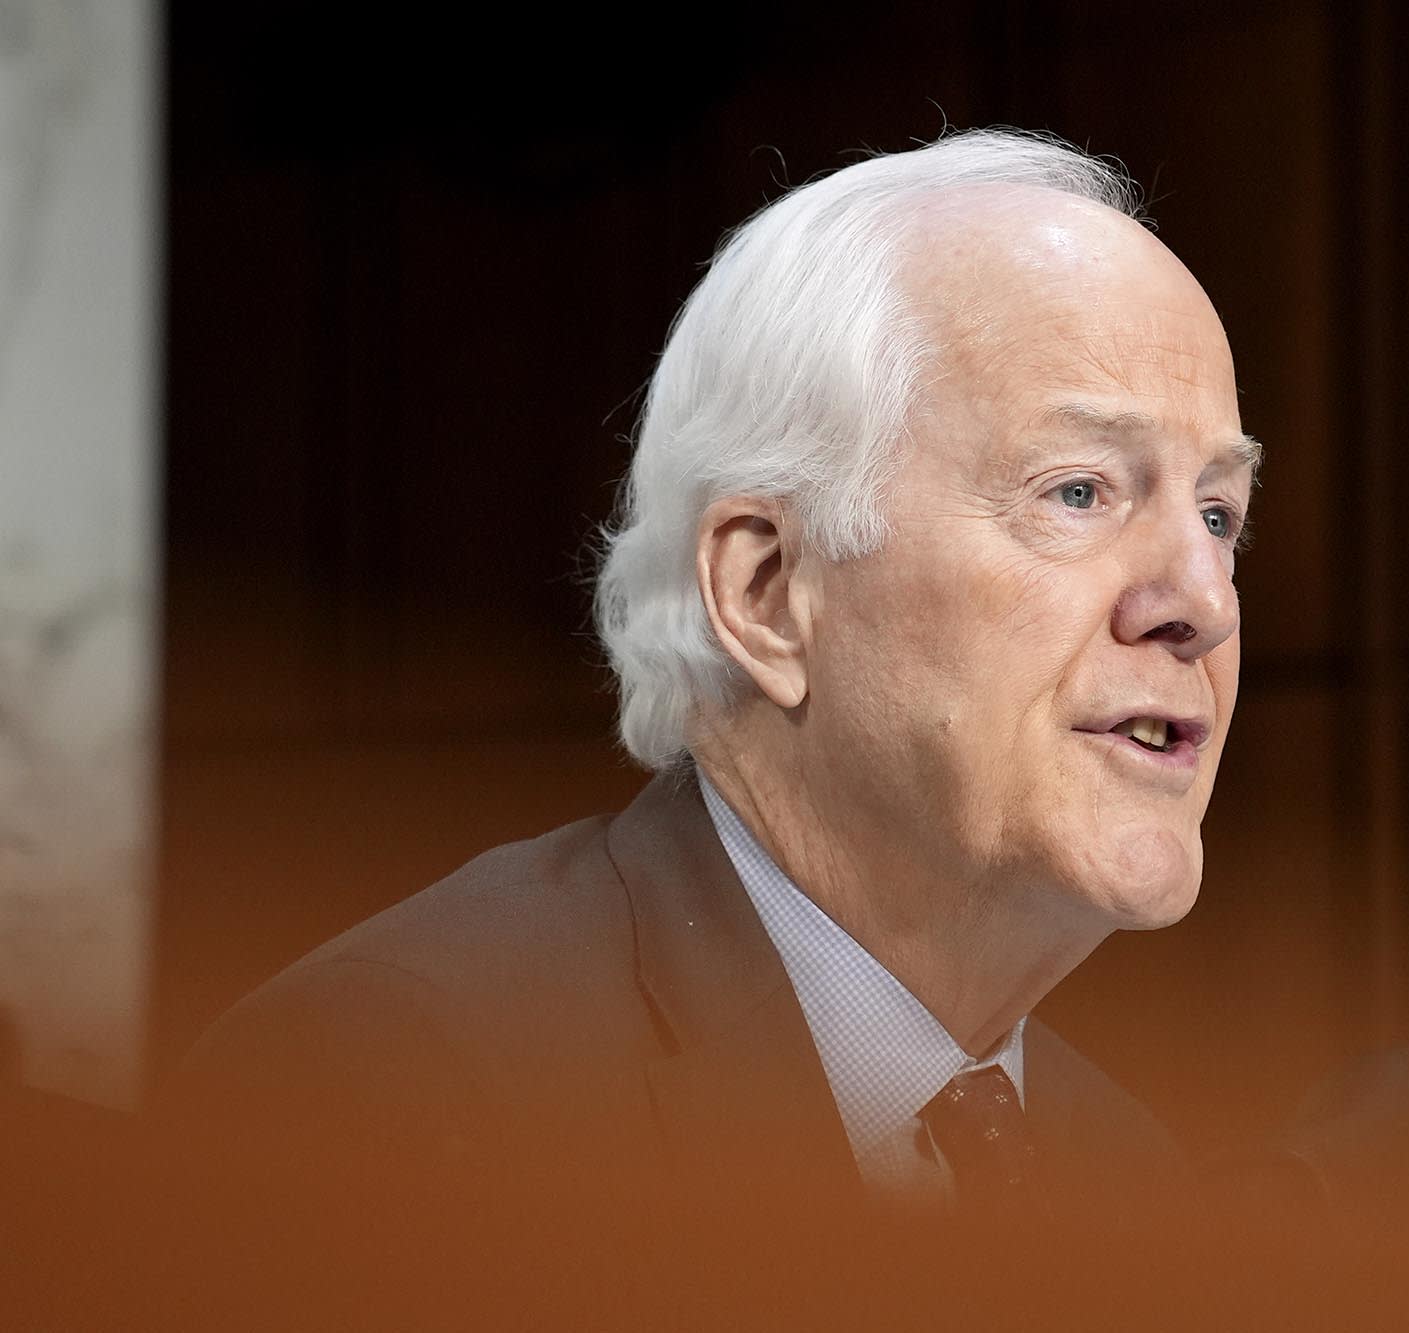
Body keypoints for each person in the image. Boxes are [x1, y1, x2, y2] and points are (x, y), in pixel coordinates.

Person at [163, 130, 1259, 1299]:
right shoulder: (396, 1088)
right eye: (1079, 492)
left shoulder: (1127, 1174)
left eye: (1218, 515)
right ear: (767, 593)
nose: (1199, 601)